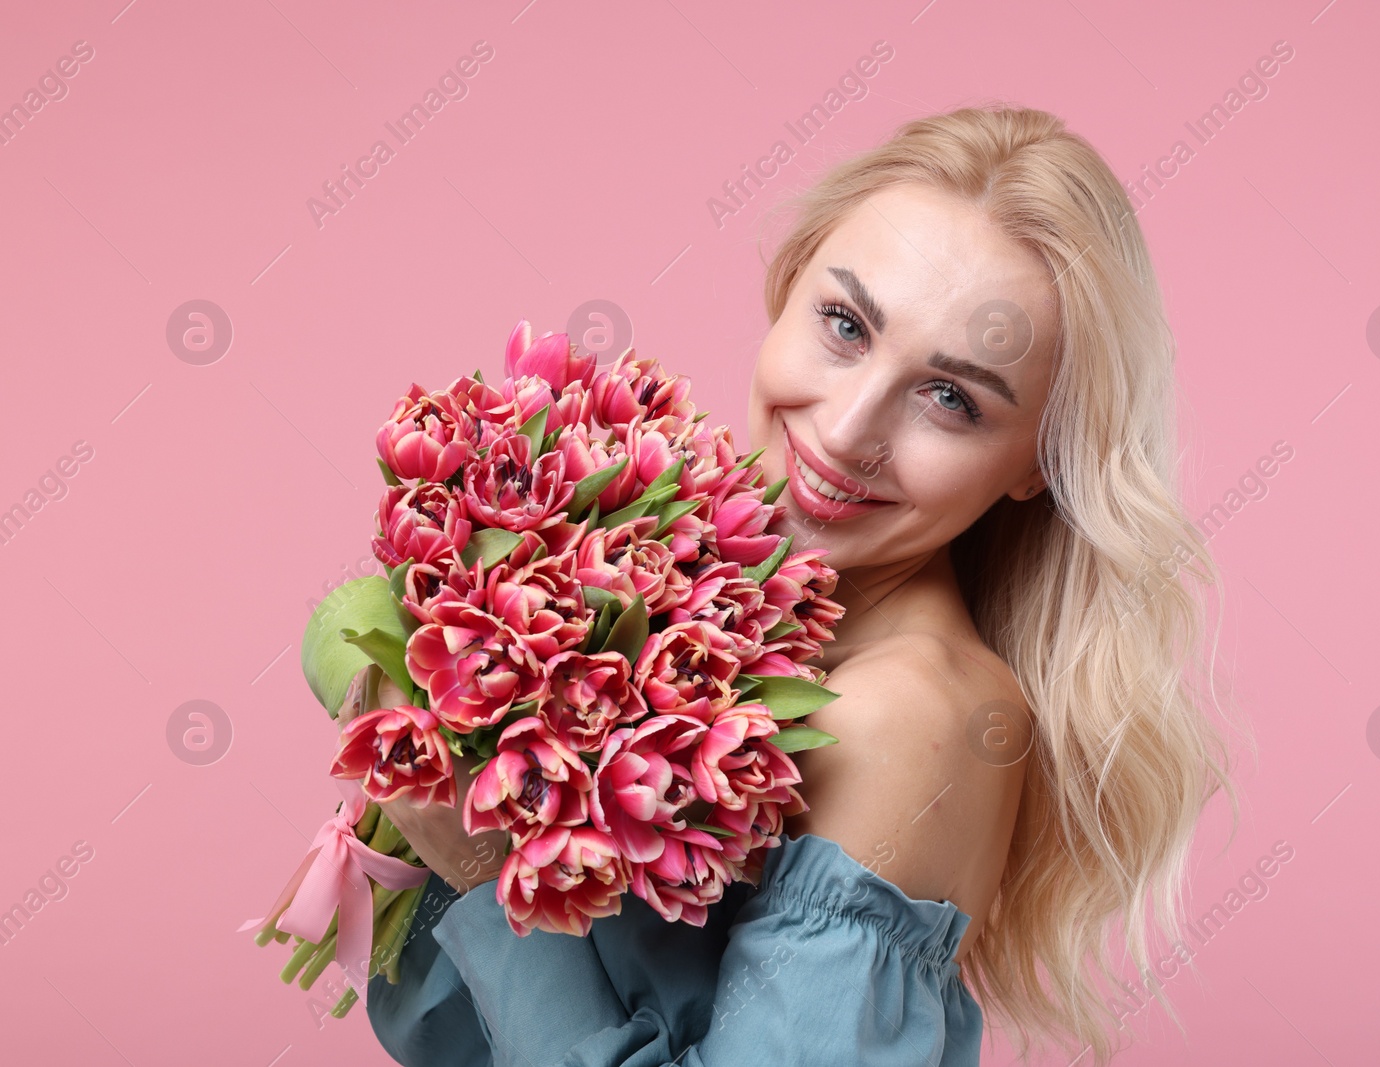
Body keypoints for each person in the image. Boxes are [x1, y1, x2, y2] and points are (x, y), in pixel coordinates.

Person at [346, 103, 1238, 1066]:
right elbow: (435, 1024)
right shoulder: (686, 606)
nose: (849, 428)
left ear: (1040, 461)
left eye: (952, 397)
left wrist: (487, 871)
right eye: (846, 324)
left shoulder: (910, 715)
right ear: (787, 286)